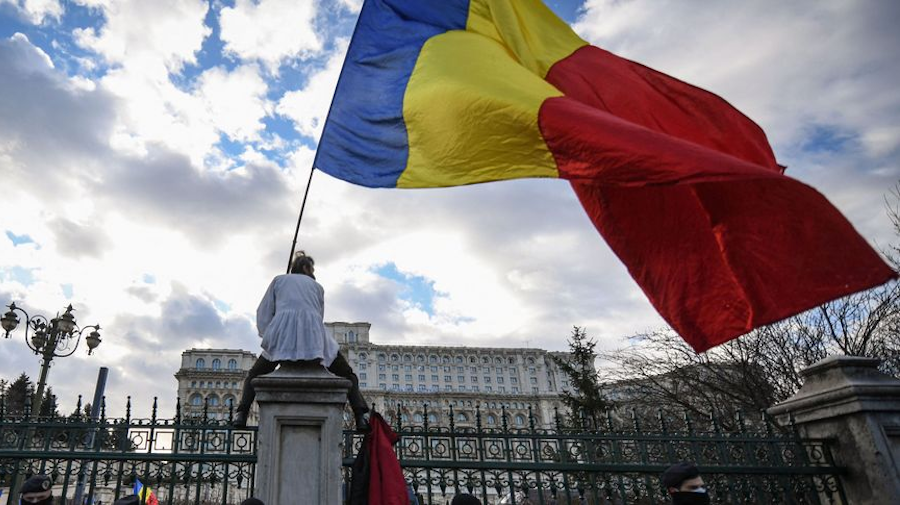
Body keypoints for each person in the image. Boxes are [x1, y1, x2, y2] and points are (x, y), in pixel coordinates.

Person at [233, 251, 369, 431]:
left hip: (282, 338)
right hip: (314, 340)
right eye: (312, 269)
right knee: (348, 374)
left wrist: (270, 333)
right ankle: (361, 416)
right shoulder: (318, 287)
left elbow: (263, 311)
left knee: (253, 374)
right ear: (305, 267)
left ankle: (241, 414)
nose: (313, 272)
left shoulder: (278, 280)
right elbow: (318, 316)